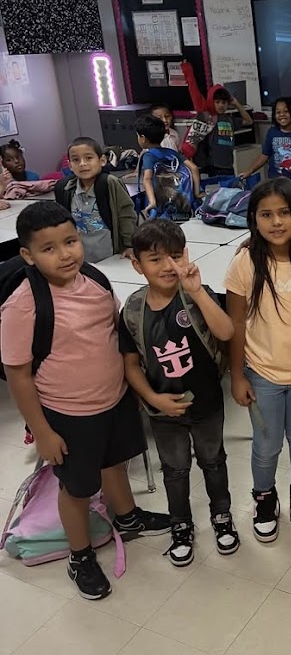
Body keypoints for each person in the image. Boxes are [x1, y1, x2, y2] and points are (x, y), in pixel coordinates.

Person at [0, 203, 171, 600]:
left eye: (71, 241)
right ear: (27, 255)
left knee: (115, 462)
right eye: (49, 249)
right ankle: (80, 556)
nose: (65, 254)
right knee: (76, 487)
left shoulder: (94, 278)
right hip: (68, 413)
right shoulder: (23, 305)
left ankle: (127, 517)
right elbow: (18, 375)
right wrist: (42, 431)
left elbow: (112, 336)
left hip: (113, 399)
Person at [119, 220, 239, 567]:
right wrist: (153, 400)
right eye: (155, 259)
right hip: (162, 411)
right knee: (174, 469)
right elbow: (130, 365)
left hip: (207, 404)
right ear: (137, 266)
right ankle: (181, 523)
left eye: (175, 256)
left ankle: (221, 515)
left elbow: (227, 331)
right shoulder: (132, 310)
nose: (167, 266)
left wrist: (199, 290)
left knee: (214, 461)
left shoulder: (196, 295)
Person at [225, 178, 291, 543]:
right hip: (262, 374)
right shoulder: (244, 262)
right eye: (266, 214)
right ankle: (264, 498)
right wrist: (237, 376)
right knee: (267, 443)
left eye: (284, 213)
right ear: (253, 219)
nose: (276, 222)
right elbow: (235, 322)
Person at [54, 137, 137, 263]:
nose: (82, 163)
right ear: (70, 165)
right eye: (76, 160)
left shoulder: (109, 183)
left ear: (102, 160)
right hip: (81, 259)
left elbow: (125, 214)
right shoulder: (65, 188)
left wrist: (129, 245)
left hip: (111, 256)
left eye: (88, 158)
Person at [181, 60, 252, 177]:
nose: (221, 105)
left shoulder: (229, 119)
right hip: (211, 166)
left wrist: (236, 103)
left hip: (228, 165)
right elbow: (194, 91)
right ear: (211, 101)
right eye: (217, 102)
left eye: (224, 102)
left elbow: (248, 121)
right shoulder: (207, 116)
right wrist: (187, 70)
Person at [135, 114, 193, 218]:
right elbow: (193, 168)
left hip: (159, 203)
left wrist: (152, 202)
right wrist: (197, 193)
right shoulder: (172, 153)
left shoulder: (148, 156)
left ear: (143, 138)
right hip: (178, 199)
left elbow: (147, 179)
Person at [150, 104, 201, 201]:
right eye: (159, 118)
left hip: (176, 164)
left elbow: (178, 151)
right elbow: (146, 154)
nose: (165, 120)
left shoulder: (174, 134)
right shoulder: (153, 137)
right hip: (163, 168)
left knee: (193, 169)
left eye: (167, 116)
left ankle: (196, 194)